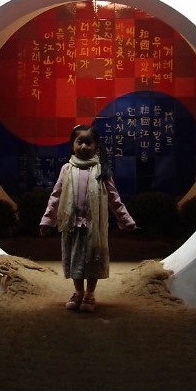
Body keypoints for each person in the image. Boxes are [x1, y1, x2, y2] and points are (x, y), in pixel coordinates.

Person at [40, 124, 136, 313]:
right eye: (79, 142)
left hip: (94, 227)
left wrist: (126, 220)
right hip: (72, 225)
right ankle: (78, 292)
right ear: (72, 145)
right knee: (75, 259)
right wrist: (47, 220)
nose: (83, 146)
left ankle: (90, 294)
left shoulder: (102, 171)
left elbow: (114, 199)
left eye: (88, 142)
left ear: (96, 146)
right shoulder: (66, 169)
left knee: (93, 259)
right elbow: (56, 197)